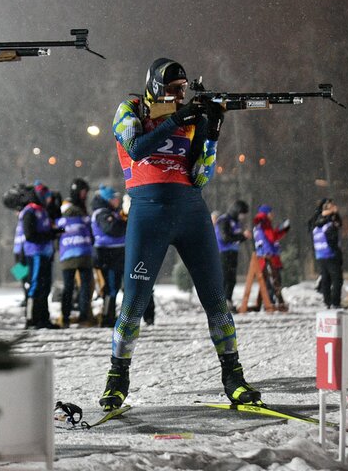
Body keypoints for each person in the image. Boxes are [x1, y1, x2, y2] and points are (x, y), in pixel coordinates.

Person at [100, 57, 260, 412]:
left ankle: (233, 377)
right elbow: (136, 148)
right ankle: (117, 378)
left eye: (182, 91)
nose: (178, 96)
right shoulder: (131, 108)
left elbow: (201, 175)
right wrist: (176, 119)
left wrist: (212, 131)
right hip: (148, 213)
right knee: (134, 303)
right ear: (155, 86)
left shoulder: (189, 117)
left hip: (191, 212)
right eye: (172, 90)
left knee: (216, 300)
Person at [20, 183, 63, 329]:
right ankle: (31, 318)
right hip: (34, 253)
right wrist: (50, 235)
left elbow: (50, 224)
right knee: (35, 285)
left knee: (45, 286)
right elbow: (30, 235)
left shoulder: (43, 210)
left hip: (46, 253)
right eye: (46, 196)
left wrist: (56, 232)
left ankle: (43, 318)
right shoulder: (30, 211)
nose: (49, 199)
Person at [90, 185, 132, 326]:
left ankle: (110, 316)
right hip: (107, 254)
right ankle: (108, 317)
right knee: (111, 287)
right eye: (114, 198)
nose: (117, 200)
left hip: (115, 254)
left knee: (114, 286)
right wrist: (125, 224)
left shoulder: (111, 212)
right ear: (107, 199)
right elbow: (112, 229)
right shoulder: (102, 213)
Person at [56, 178, 95, 327]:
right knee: (78, 286)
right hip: (76, 252)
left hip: (74, 252)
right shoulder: (72, 208)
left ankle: (72, 316)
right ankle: (81, 316)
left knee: (78, 286)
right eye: (83, 192)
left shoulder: (70, 208)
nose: (85, 195)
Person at [214, 200, 252, 312]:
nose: (242, 217)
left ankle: (228, 300)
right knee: (225, 278)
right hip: (224, 253)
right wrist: (241, 236)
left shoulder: (235, 222)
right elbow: (226, 238)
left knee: (231, 279)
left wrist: (244, 237)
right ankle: (221, 303)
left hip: (233, 253)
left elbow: (236, 238)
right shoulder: (224, 220)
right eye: (242, 214)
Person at [308, 198, 344, 309]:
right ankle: (335, 302)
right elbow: (333, 239)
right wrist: (338, 253)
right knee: (337, 279)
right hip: (331, 255)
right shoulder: (329, 225)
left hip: (320, 255)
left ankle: (327, 302)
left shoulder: (316, 224)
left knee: (326, 280)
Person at [252, 205, 290, 308]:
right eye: (271, 212)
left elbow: (271, 236)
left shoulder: (259, 223)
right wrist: (282, 229)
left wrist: (282, 231)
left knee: (266, 280)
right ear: (266, 213)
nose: (272, 215)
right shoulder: (265, 222)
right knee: (274, 280)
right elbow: (272, 237)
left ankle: (266, 302)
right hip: (268, 256)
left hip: (262, 255)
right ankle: (273, 302)